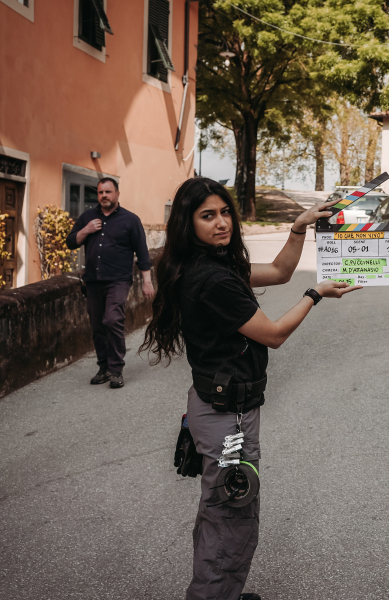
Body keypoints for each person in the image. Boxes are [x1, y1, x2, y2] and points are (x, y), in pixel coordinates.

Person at [139, 178, 359, 600]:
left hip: (218, 407)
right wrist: (314, 294)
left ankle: (220, 592)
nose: (221, 222)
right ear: (188, 223)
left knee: (220, 510)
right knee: (231, 518)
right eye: (208, 216)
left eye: (225, 212)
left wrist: (298, 228)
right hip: (226, 418)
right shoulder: (212, 278)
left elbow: (278, 271)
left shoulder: (212, 263)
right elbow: (273, 334)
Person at [66, 177, 154, 389]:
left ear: (117, 194)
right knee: (97, 326)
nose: (104, 195)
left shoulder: (130, 220)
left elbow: (142, 252)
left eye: (108, 191)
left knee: (113, 320)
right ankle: (104, 367)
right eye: (100, 192)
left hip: (118, 281)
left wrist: (147, 281)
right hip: (93, 282)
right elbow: (70, 242)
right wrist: (86, 230)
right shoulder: (88, 217)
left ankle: (116, 369)